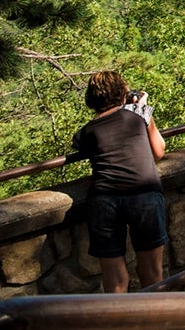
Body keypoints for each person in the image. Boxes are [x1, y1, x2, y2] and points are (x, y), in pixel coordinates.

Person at [72, 71, 168, 293]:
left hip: (104, 201)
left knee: (115, 280)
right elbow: (159, 151)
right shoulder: (137, 114)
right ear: (123, 92)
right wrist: (143, 109)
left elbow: (84, 145)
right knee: (152, 273)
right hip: (143, 193)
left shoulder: (87, 131)